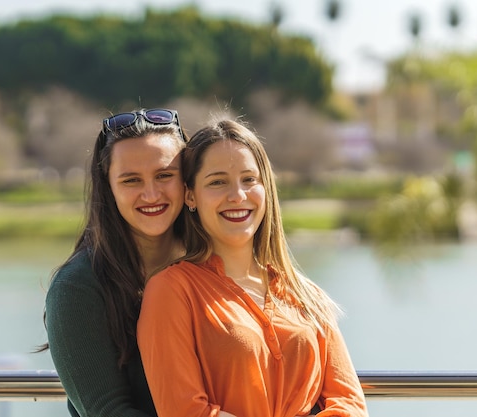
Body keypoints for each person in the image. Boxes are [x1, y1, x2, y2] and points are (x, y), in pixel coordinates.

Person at [137, 119, 368, 417]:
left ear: (266, 188)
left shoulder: (305, 294)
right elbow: (184, 411)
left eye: (249, 179)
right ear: (191, 195)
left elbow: (350, 404)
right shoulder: (171, 290)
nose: (238, 195)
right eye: (217, 182)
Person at [43, 108, 188, 417]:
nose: (151, 193)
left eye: (164, 175)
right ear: (108, 189)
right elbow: (108, 411)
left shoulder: (212, 261)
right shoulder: (76, 288)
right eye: (131, 180)